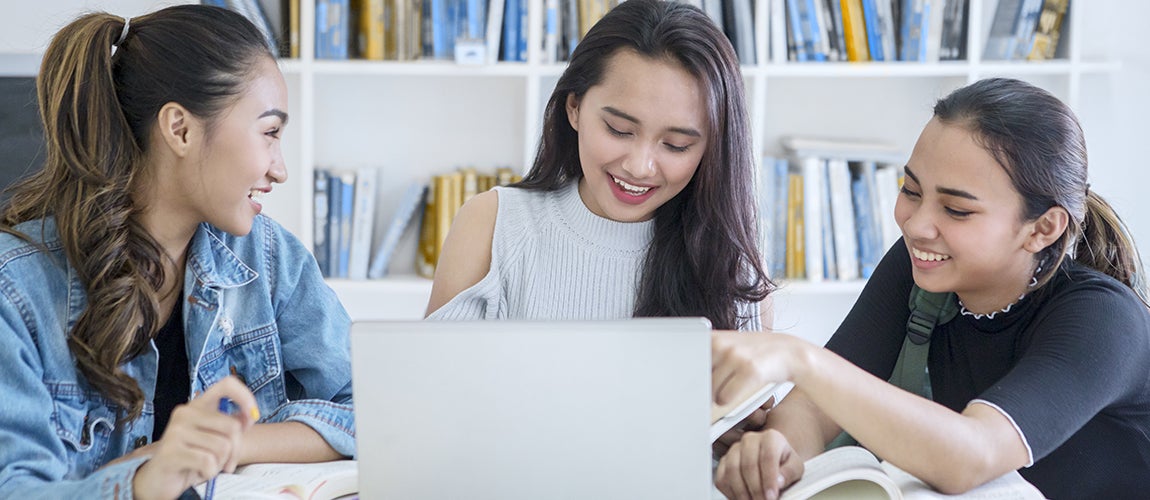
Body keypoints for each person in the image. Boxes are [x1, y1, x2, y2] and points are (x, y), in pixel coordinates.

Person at [711, 77, 1150, 499]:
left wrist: (796, 357)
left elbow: (971, 454)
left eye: (957, 210)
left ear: (1043, 228)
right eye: (911, 190)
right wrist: (777, 450)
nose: (917, 226)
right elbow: (811, 409)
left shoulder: (1104, 318)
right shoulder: (920, 269)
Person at [0, 6, 354, 499]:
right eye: (270, 133)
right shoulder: (14, 290)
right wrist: (150, 476)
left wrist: (230, 444)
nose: (280, 170)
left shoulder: (269, 259)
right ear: (180, 129)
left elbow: (373, 409)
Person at [425, 0, 773, 333]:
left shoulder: (733, 259)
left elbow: (753, 396)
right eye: (619, 130)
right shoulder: (494, 225)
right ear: (573, 107)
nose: (639, 167)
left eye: (676, 145)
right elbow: (427, 385)